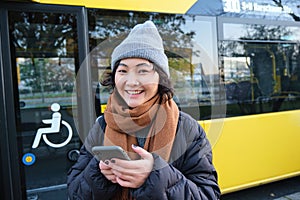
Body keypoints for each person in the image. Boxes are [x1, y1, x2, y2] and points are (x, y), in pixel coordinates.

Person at [67, 20, 220, 200]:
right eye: (123, 71)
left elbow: (208, 195)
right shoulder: (102, 125)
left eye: (142, 71)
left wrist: (155, 176)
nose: (131, 82)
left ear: (160, 78)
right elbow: (74, 192)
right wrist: (98, 173)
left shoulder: (187, 129)